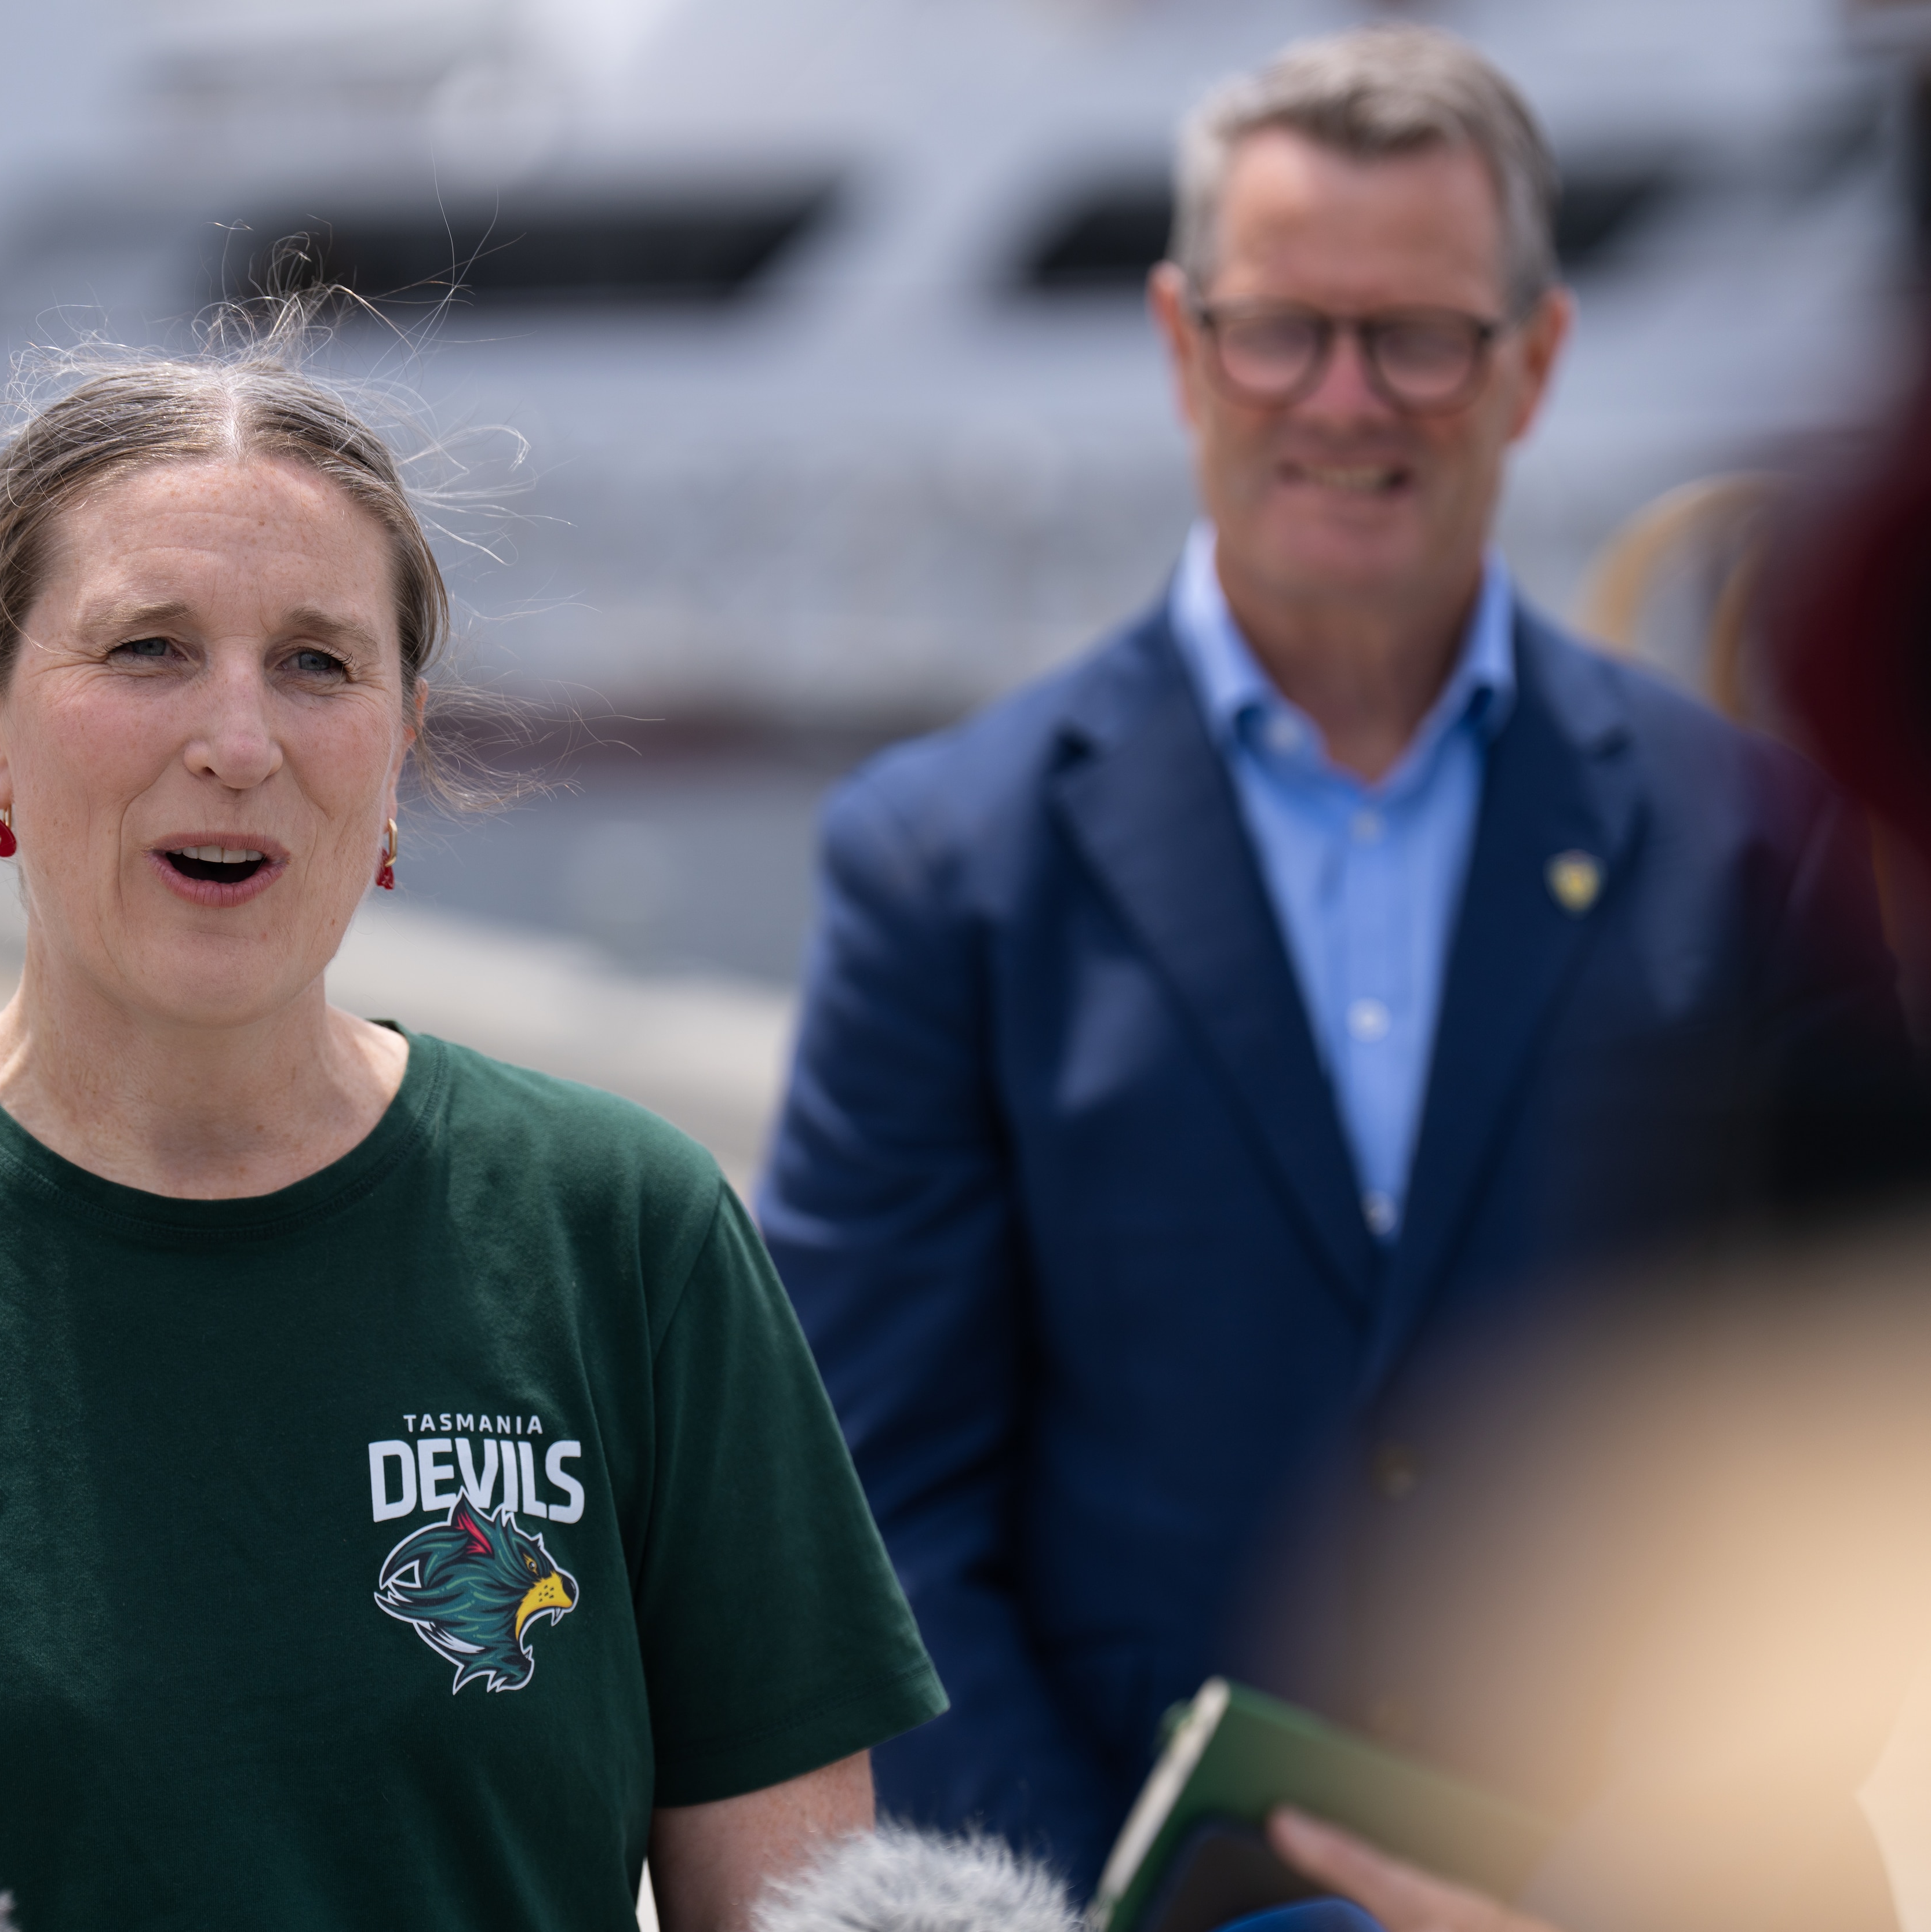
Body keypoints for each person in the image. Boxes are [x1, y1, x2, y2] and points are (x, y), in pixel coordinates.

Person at [0, 333, 948, 1932]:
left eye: (319, 664)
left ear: (404, 739)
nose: (239, 741)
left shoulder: (630, 1236)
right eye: (147, 650)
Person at [755, 20, 1905, 1911]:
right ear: (1181, 343)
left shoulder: (1761, 841)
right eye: (1283, 325)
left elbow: (1843, 1433)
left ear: (1532, 360)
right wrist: (1116, 1904)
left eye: (1422, 336)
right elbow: (874, 1505)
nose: (1347, 398)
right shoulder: (945, 862)